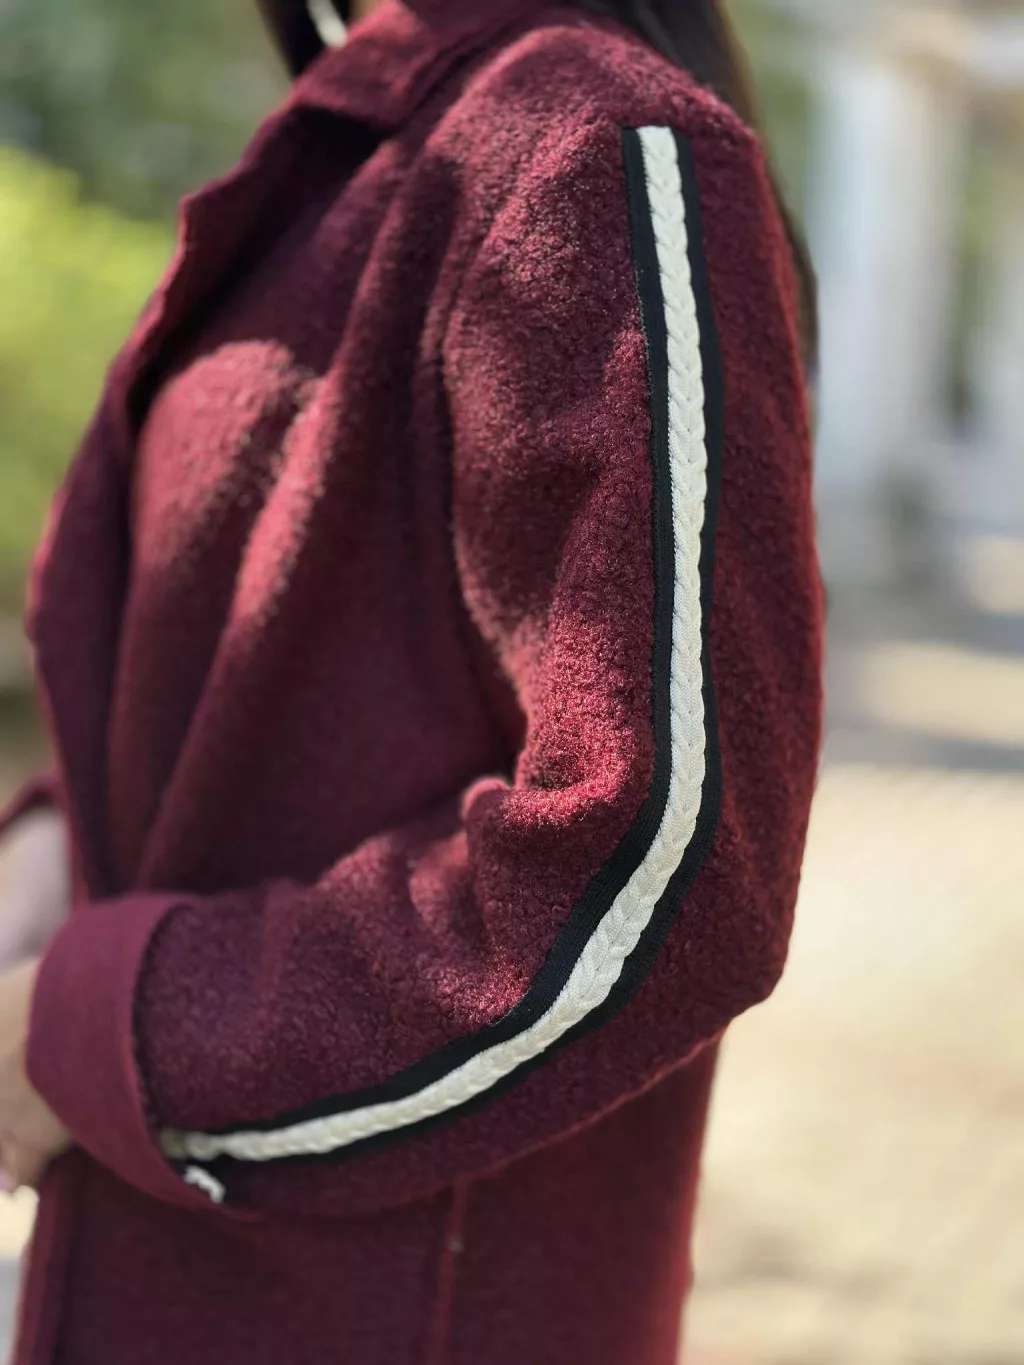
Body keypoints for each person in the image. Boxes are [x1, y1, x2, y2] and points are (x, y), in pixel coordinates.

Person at [0, 0, 823, 1361]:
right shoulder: (368, 131)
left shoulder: (585, 141)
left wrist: (103, 1030)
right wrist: (57, 845)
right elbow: (265, 706)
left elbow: (658, 865)